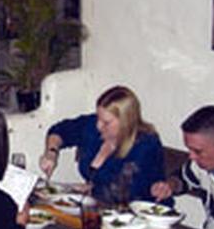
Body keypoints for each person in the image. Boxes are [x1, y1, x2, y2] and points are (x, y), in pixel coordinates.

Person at [39, 85, 167, 205]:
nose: (98, 125)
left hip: (142, 215)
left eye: (106, 122)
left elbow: (123, 193)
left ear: (126, 121)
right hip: (100, 208)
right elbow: (60, 130)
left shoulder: (146, 144)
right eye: (98, 118)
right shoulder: (93, 127)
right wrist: (51, 153)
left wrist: (75, 190)